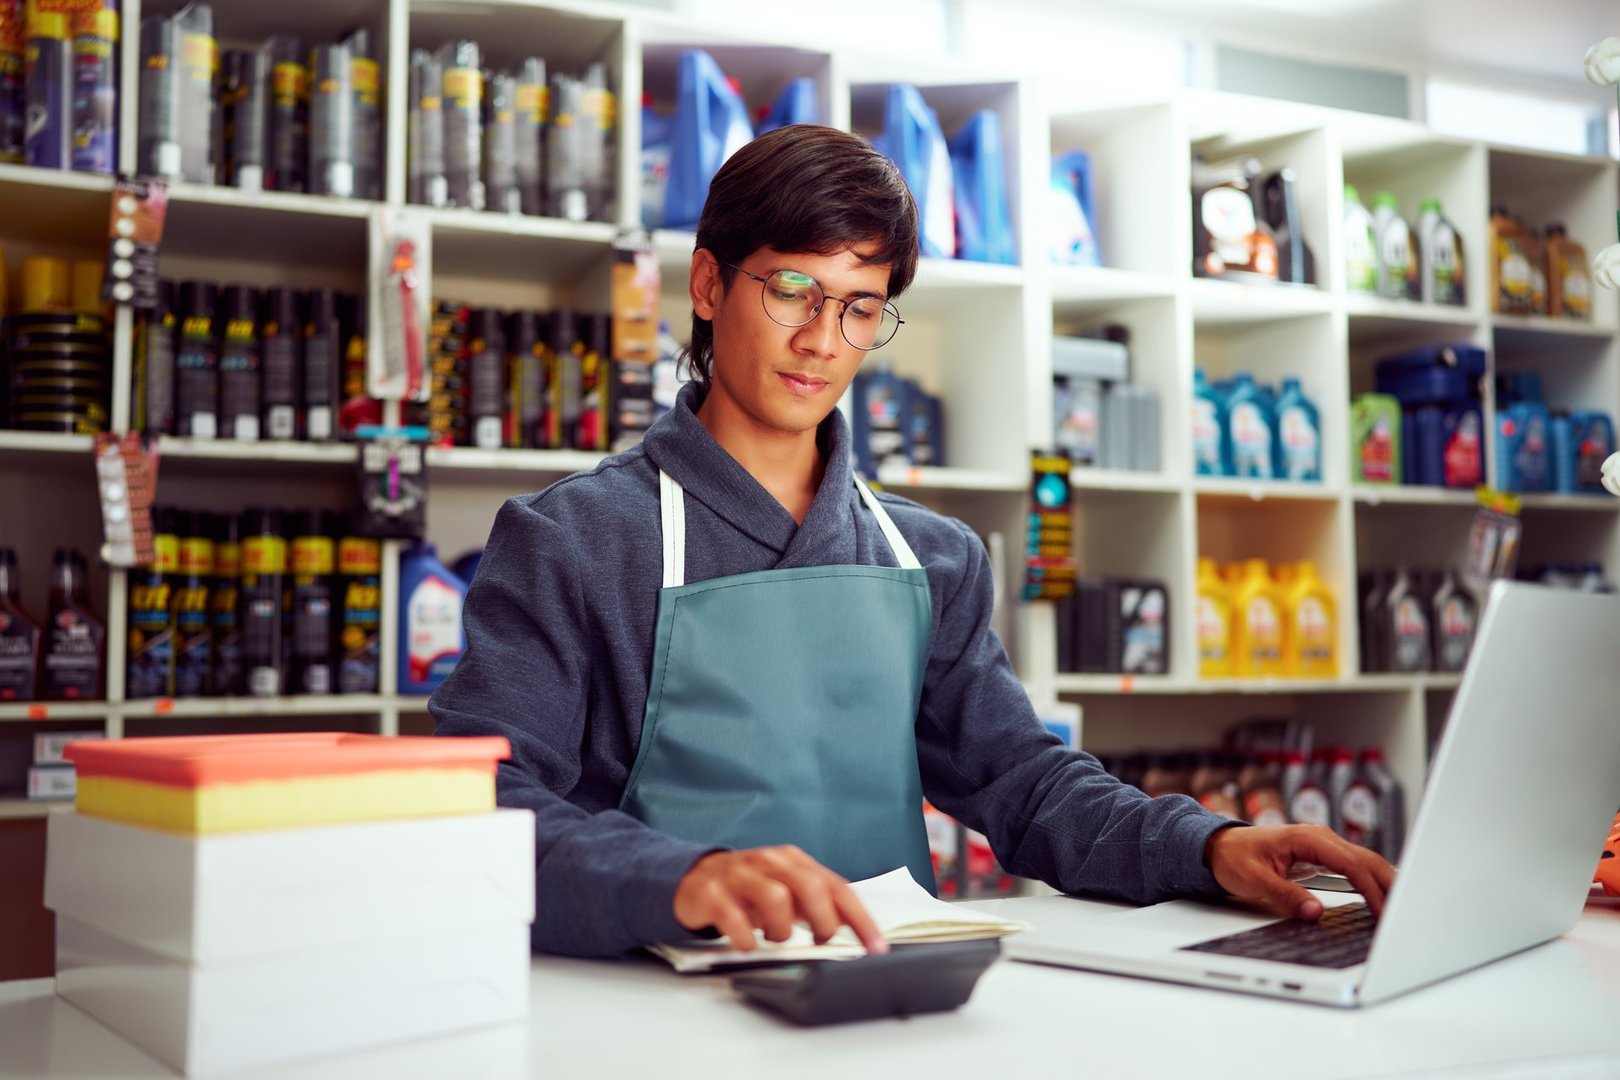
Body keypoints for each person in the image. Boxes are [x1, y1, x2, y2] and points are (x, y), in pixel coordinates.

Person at [431, 124, 1395, 959]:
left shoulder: (930, 556)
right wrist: (683, 881)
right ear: (710, 283)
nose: (821, 340)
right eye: (794, 290)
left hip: (885, 989)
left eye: (859, 307)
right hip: (650, 1002)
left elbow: (1021, 782)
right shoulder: (571, 541)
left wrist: (1206, 844)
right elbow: (488, 802)